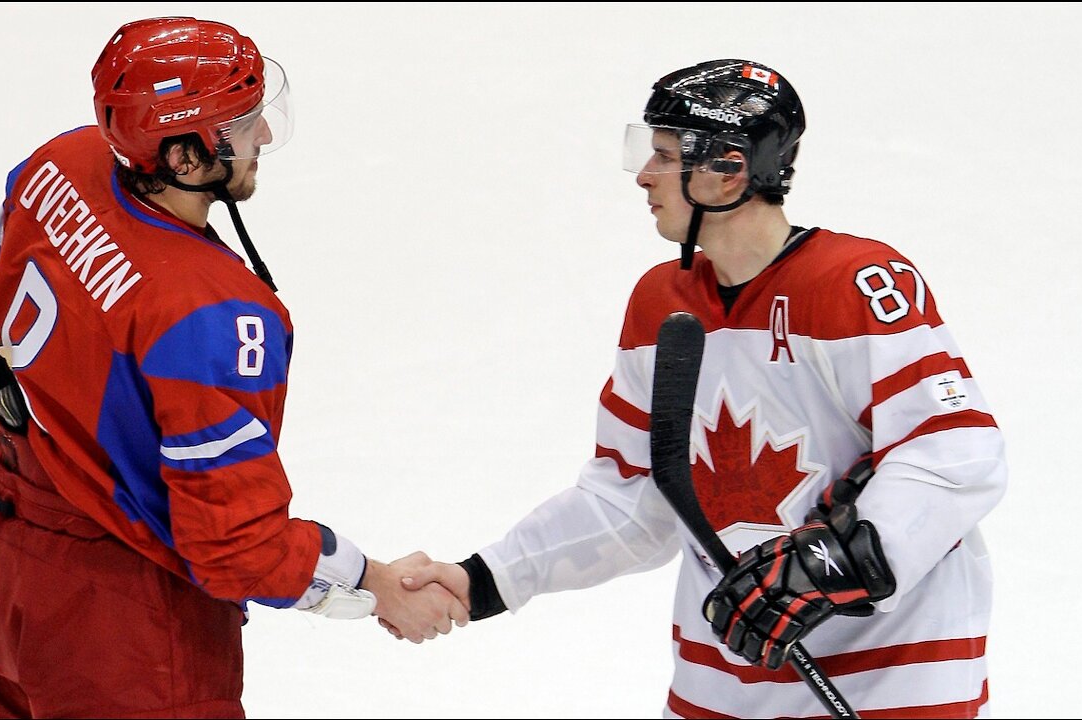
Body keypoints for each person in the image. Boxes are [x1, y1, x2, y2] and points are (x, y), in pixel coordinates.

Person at [397, 59, 1006, 718]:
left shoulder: (855, 282)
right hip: (720, 684)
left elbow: (953, 453)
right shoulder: (661, 304)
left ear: (730, 169)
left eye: (663, 155)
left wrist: (831, 563)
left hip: (892, 680)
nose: (643, 176)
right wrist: (482, 579)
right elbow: (632, 501)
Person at [0, 17, 465, 719]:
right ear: (186, 158)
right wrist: (372, 582)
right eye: (244, 123)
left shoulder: (59, 166)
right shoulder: (213, 318)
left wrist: (10, 446)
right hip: (121, 633)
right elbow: (236, 549)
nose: (266, 138)